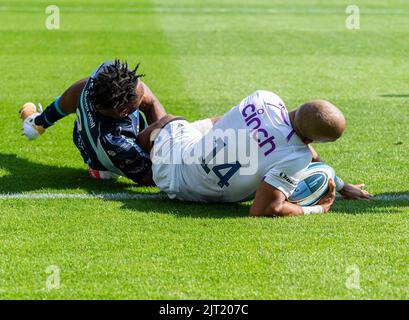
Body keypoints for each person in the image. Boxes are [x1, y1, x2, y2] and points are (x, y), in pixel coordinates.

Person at [138, 90, 371, 217]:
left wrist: (339, 183)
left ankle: (127, 152)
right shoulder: (295, 157)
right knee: (171, 120)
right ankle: (118, 153)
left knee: (170, 122)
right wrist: (318, 208)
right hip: (183, 190)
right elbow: (263, 209)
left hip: (174, 159)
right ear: (313, 140)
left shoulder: (265, 98)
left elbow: (294, 142)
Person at [20, 60, 166, 185]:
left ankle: (35, 123)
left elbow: (73, 94)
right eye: (140, 96)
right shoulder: (116, 141)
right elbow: (153, 176)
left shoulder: (103, 78)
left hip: (88, 133)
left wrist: (43, 120)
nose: (145, 90)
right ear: (123, 112)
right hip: (105, 167)